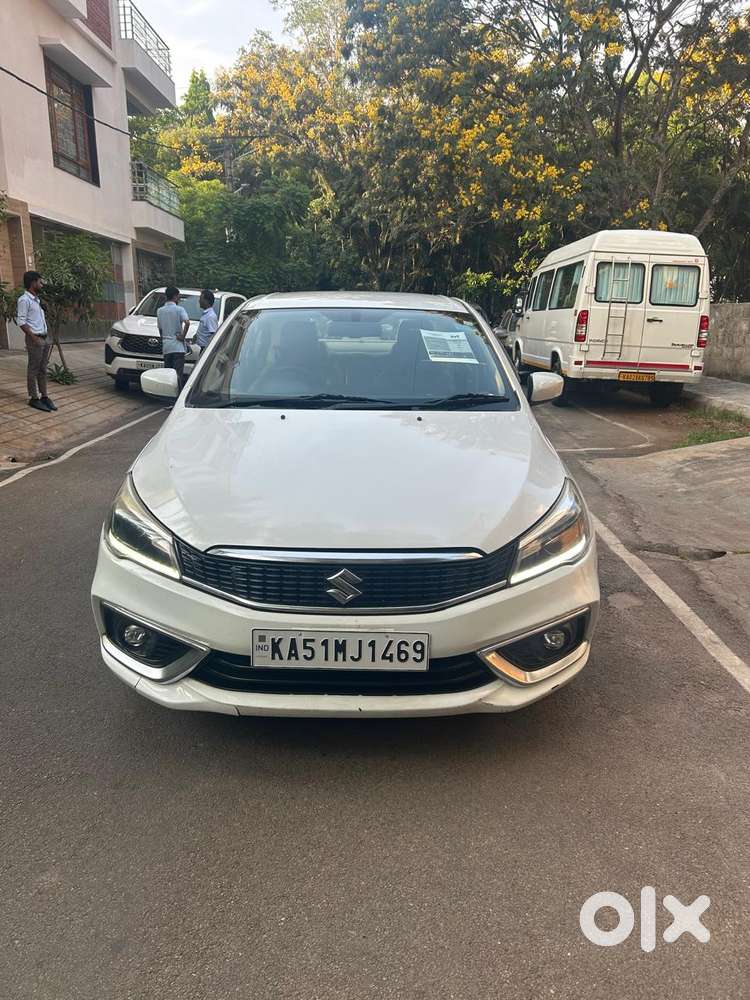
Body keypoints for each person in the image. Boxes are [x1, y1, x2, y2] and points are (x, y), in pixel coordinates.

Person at [18, 270, 56, 412]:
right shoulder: (24, 300)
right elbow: (21, 322)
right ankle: (34, 398)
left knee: (43, 369)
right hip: (35, 339)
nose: (42, 284)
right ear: (33, 283)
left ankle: (44, 396)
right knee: (33, 369)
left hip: (45, 338)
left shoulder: (38, 300)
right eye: (40, 282)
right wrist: (34, 338)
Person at [157, 285, 190, 388]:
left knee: (168, 375)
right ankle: (177, 395)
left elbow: (160, 329)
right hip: (178, 347)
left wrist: (164, 339)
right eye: (178, 296)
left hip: (166, 347)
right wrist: (183, 336)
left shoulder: (160, 311)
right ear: (175, 296)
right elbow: (187, 322)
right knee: (177, 375)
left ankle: (168, 394)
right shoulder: (180, 309)